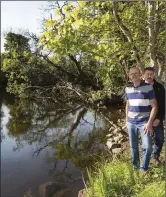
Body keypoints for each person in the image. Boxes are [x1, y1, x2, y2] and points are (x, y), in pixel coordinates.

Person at [125, 67, 157, 172]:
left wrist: (149, 123)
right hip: (131, 123)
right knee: (133, 147)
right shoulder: (127, 88)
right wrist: (126, 120)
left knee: (147, 147)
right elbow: (128, 105)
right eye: (131, 74)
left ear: (140, 74)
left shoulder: (148, 87)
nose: (133, 75)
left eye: (136, 73)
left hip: (144, 122)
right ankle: (135, 167)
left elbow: (154, 107)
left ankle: (143, 168)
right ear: (129, 76)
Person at [143, 67, 165, 165]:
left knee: (160, 139)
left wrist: (159, 118)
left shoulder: (159, 87)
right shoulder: (139, 87)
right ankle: (145, 160)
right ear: (143, 75)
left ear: (154, 75)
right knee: (146, 140)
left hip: (156, 119)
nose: (149, 76)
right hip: (143, 119)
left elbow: (163, 105)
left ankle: (155, 156)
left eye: (151, 74)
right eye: (147, 74)